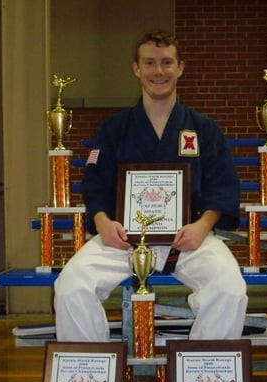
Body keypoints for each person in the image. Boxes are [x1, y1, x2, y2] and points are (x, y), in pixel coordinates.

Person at [54, 30, 248, 342]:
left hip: (189, 239)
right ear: (136, 68)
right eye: (150, 63)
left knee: (229, 288)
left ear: (180, 67)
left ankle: (200, 381)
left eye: (167, 63)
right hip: (122, 239)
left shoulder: (204, 129)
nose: (159, 71)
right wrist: (103, 223)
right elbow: (95, 185)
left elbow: (223, 186)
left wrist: (202, 226)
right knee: (70, 286)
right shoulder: (114, 129)